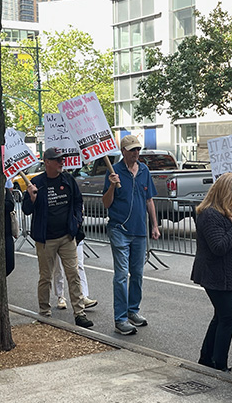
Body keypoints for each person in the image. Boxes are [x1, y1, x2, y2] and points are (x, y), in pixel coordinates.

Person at [23, 148, 91, 327]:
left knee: (73, 274)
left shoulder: (68, 180)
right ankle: (44, 312)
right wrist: (31, 197)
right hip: (45, 239)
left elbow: (78, 201)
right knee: (45, 277)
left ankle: (79, 313)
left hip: (67, 236)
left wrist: (77, 221)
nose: (62, 162)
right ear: (46, 162)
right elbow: (26, 210)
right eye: (57, 160)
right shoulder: (36, 182)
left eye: (62, 159)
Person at [102, 135, 160, 335]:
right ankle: (120, 319)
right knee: (121, 275)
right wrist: (111, 185)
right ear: (123, 151)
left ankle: (133, 310)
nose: (136, 153)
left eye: (138, 149)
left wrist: (154, 225)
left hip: (139, 231)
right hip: (119, 228)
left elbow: (149, 200)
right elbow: (106, 203)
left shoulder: (144, 170)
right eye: (132, 150)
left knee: (137, 274)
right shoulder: (113, 171)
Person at [192, 173, 232, 372]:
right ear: (227, 192)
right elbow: (219, 246)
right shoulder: (210, 214)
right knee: (229, 316)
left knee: (221, 316)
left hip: (226, 275)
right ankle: (219, 363)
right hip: (215, 275)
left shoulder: (225, 212)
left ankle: (208, 358)